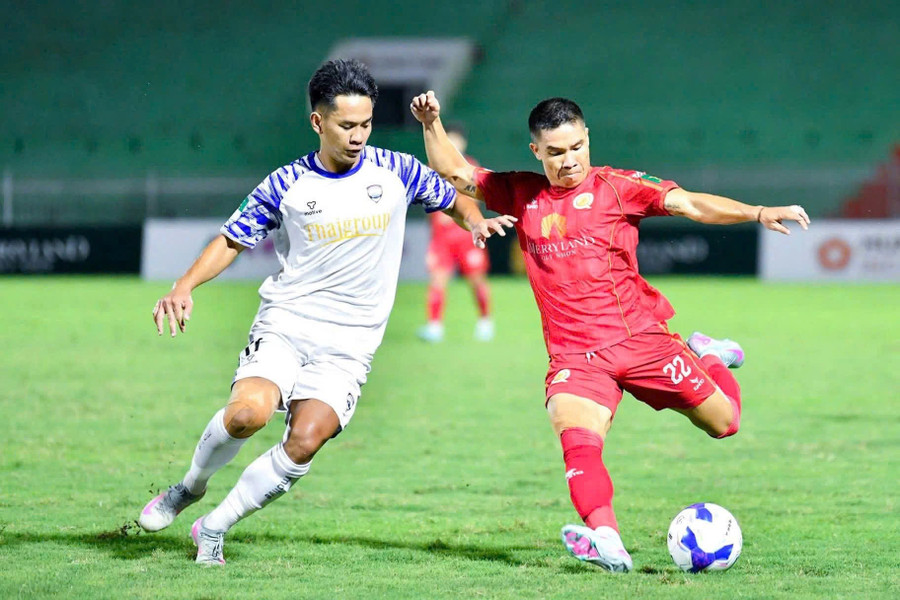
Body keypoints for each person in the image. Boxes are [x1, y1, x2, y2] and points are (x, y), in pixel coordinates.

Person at [410, 91, 810, 573]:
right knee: (575, 433)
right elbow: (456, 173)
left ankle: (707, 354)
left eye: (576, 147)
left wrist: (758, 212)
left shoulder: (618, 187)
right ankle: (607, 539)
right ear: (536, 151)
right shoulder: (520, 191)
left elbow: (690, 204)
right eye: (555, 152)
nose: (569, 161)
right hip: (575, 357)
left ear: (587, 138)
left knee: (725, 423)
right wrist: (431, 123)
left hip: (642, 341)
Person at [139, 60, 514, 565]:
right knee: (247, 415)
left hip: (352, 342)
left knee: (305, 440)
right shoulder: (287, 183)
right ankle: (189, 487)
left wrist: (475, 221)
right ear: (318, 122)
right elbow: (232, 239)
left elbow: (453, 198)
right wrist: (185, 285)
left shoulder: (396, 169)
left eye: (366, 124)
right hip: (288, 323)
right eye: (346, 125)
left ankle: (214, 527)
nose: (358, 136)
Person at [418, 123, 494, 343]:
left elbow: (476, 199)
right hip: (441, 238)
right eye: (448, 139)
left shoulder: (470, 167)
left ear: (463, 142)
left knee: (477, 280)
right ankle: (434, 326)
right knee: (437, 280)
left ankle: (485, 321)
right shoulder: (431, 167)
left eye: (456, 140)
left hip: (466, 235)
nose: (452, 144)